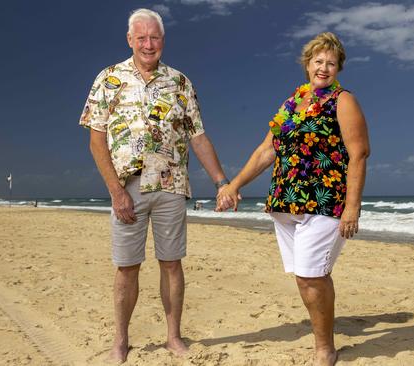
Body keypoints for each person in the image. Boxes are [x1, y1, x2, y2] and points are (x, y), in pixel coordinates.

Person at [79, 8, 230, 363]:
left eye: (155, 37)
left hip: (172, 185)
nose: (149, 44)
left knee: (171, 263)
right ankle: (120, 340)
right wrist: (116, 191)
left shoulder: (180, 82)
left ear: (163, 41)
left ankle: (173, 337)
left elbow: (199, 137)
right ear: (130, 40)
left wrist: (221, 182)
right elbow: (96, 140)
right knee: (127, 266)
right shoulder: (108, 78)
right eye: (142, 38)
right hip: (127, 188)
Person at [216, 32, 370, 365]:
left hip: (325, 201)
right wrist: (233, 185)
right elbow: (266, 150)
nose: (324, 68)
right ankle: (323, 339)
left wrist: (352, 208)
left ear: (338, 68)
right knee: (306, 275)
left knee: (312, 275)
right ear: (307, 64)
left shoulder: (343, 101)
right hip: (286, 203)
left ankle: (324, 349)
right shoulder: (292, 101)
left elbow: (358, 154)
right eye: (318, 61)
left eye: (331, 63)